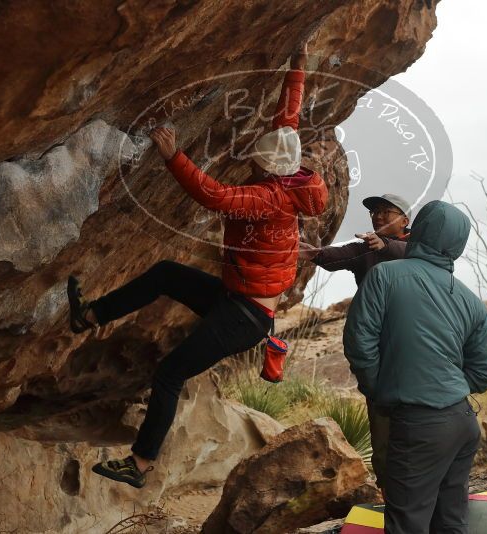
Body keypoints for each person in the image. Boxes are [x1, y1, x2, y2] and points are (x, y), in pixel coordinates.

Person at [66, 43, 328, 489]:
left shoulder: (270, 197)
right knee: (167, 273)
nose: (253, 163)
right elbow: (288, 122)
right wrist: (298, 68)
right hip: (237, 300)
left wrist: (173, 156)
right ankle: (89, 316)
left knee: (169, 373)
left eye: (258, 162)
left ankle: (140, 464)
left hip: (243, 316)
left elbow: (216, 196)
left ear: (271, 170)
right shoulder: (293, 171)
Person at [343, 200, 487, 534]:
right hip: (462, 423)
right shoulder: (471, 301)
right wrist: (448, 386)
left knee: (407, 523)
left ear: (419, 229)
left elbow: (359, 341)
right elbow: (485, 372)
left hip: (417, 424)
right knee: (451, 522)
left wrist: (379, 388)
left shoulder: (385, 275)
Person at [299, 193, 410, 491]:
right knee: (383, 425)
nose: (378, 216)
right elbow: (339, 256)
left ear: (406, 220)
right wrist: (314, 254)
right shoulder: (366, 249)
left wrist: (386, 245)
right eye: (375, 212)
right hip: (380, 354)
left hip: (414, 351)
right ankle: (390, 492)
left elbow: (422, 253)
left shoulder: (420, 246)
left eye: (387, 211)